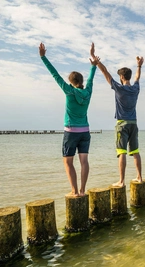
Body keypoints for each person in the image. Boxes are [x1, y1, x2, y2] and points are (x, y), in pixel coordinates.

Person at [39, 42, 99, 197]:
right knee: (84, 161)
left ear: (71, 82)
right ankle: (82, 191)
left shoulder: (69, 90)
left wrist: (43, 57)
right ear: (80, 81)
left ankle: (74, 191)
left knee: (68, 162)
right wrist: (94, 65)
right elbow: (91, 79)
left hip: (71, 132)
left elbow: (55, 75)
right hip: (85, 131)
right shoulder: (88, 92)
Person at [90, 44, 143, 185]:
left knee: (122, 152)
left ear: (121, 77)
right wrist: (139, 66)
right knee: (136, 151)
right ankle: (139, 177)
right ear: (129, 77)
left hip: (122, 124)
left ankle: (121, 181)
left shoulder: (119, 88)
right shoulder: (135, 88)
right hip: (133, 123)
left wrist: (95, 59)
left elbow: (105, 73)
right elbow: (137, 78)